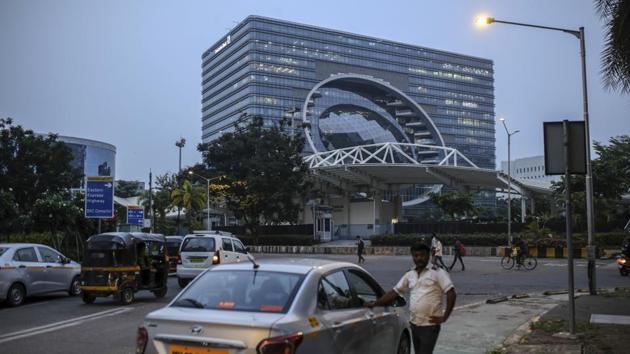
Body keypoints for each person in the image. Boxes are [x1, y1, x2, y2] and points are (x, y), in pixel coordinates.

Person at [367, 243, 456, 354]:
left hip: (430, 325)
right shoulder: (410, 274)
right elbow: (395, 292)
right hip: (414, 324)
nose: (419, 258)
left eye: (422, 255)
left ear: (428, 255)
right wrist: (376, 303)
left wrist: (445, 316)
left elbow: (451, 293)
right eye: (416, 255)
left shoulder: (438, 273)